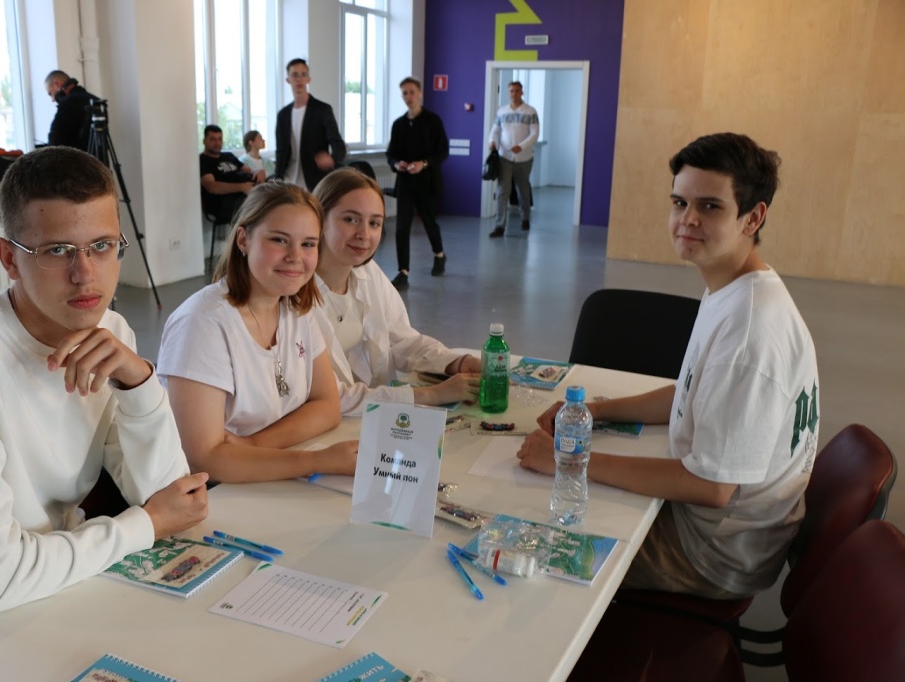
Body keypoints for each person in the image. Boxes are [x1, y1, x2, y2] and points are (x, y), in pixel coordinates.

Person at [0, 147, 209, 644]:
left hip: (61, 583)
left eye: (102, 246)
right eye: (57, 251)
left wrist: (140, 382)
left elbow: (173, 504)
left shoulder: (110, 333)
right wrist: (145, 525)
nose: (86, 274)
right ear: (8, 258)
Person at [517, 133, 820, 600]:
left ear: (753, 217)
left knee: (524, 539)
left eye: (710, 206)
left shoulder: (749, 331)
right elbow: (691, 391)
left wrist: (569, 461)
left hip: (710, 554)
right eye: (680, 202)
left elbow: (711, 487)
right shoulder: (734, 287)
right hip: (714, 526)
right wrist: (597, 412)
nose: (687, 219)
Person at [157, 182, 356, 483]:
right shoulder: (202, 323)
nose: (295, 256)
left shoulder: (296, 309)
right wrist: (317, 461)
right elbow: (203, 460)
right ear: (243, 240)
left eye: (308, 244)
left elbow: (327, 407)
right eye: (279, 240)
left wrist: (251, 444)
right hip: (211, 492)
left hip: (265, 472)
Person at [312, 168, 481, 416]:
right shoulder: (293, 291)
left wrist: (458, 362)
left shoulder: (368, 273)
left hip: (369, 417)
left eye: (374, 223)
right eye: (350, 219)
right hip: (325, 423)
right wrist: (432, 394)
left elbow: (403, 341)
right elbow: (328, 396)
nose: (364, 234)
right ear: (318, 219)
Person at [385, 77, 450, 291]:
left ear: (420, 93)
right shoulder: (399, 124)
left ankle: (439, 255)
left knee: (429, 222)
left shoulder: (433, 120)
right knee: (402, 227)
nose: (408, 96)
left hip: (427, 182)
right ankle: (403, 272)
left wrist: (424, 163)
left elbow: (443, 151)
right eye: (404, 93)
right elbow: (391, 153)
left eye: (411, 92)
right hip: (405, 182)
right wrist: (397, 164)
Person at [274, 59, 347, 191]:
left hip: (314, 181)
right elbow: (280, 151)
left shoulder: (322, 110)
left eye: (303, 74)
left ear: (308, 79)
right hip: (288, 180)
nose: (299, 79)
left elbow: (339, 146)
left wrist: (332, 158)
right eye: (295, 75)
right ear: (288, 80)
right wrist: (277, 178)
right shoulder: (283, 115)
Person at [487, 81, 539, 238]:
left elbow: (534, 134)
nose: (514, 94)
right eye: (511, 91)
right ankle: (499, 226)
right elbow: (495, 130)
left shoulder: (530, 112)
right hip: (505, 156)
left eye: (517, 91)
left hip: (524, 158)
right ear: (508, 93)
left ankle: (525, 218)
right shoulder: (502, 111)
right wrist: (492, 141)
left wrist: (521, 146)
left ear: (522, 92)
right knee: (502, 191)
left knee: (522, 189)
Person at [200, 124, 261, 223]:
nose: (217, 143)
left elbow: (249, 170)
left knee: (269, 197)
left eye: (219, 139)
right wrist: (242, 187)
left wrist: (259, 172)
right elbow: (212, 187)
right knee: (262, 205)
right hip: (221, 204)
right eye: (212, 139)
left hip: (242, 197)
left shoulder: (228, 156)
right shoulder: (203, 160)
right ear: (204, 141)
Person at [44, 69, 95, 150]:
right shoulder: (96, 101)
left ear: (57, 84)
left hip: (74, 157)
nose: (52, 99)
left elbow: (55, 141)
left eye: (50, 93)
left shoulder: (67, 104)